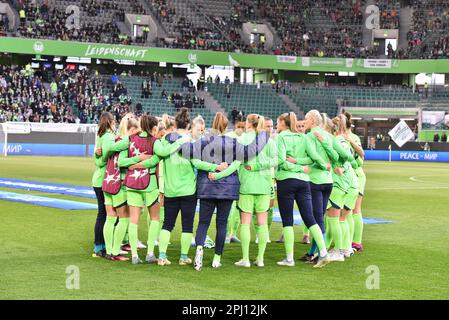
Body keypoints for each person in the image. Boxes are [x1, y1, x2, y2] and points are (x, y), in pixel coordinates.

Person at [156, 108, 227, 266]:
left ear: (175, 123)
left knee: (167, 223)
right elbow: (197, 163)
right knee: (187, 225)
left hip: (171, 189)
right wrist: (215, 167)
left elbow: (159, 154)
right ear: (188, 125)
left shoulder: (166, 139)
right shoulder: (190, 142)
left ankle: (161, 256)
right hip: (188, 190)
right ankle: (183, 257)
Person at [276, 112, 331, 268]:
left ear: (283, 123)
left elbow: (281, 161)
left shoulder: (281, 137)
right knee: (310, 218)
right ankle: (323, 252)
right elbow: (313, 158)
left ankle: (289, 258)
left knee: (287, 221)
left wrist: (294, 165)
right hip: (304, 182)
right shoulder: (304, 137)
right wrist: (305, 166)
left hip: (286, 181)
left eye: (278, 122)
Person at [193, 113, 241, 270]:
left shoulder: (202, 141)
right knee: (222, 224)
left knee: (203, 222)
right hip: (227, 188)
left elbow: (195, 162)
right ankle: (216, 258)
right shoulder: (234, 143)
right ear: (227, 127)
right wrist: (219, 171)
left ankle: (199, 249)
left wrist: (214, 169)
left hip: (207, 186)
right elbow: (236, 165)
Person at [234, 114, 277, 268]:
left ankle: (245, 259)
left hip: (246, 185)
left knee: (245, 222)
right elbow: (276, 160)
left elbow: (235, 161)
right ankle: (260, 258)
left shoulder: (242, 139)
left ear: (248, 123)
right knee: (262, 222)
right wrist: (261, 166)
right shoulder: (269, 141)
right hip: (264, 186)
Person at [101, 114, 141, 261]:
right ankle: (115, 251)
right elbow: (123, 163)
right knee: (124, 219)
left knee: (110, 218)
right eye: (136, 132)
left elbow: (105, 155)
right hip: (119, 183)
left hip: (107, 181)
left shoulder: (115, 138)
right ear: (131, 130)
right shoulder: (127, 142)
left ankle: (109, 251)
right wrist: (139, 158)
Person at [343, 112, 366, 252]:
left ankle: (356, 242)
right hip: (347, 176)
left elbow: (360, 160)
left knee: (354, 209)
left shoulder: (353, 137)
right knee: (348, 210)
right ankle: (347, 241)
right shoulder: (342, 136)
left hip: (355, 175)